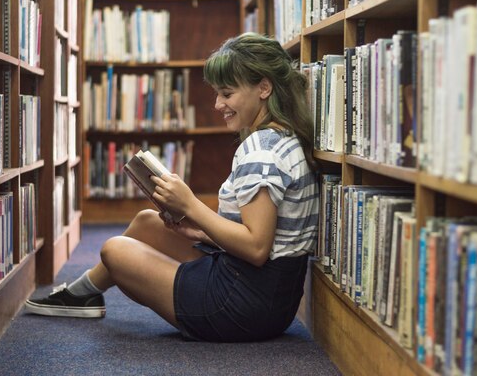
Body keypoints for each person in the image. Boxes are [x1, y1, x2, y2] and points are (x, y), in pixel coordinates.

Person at [25, 32, 320, 342]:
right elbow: (272, 242)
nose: (218, 104)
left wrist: (190, 204)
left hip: (240, 306)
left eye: (228, 94)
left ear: (264, 87)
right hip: (273, 301)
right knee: (147, 223)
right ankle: (82, 294)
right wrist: (202, 231)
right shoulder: (285, 137)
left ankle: (80, 294)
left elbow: (257, 248)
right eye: (217, 93)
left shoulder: (260, 150)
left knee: (114, 249)